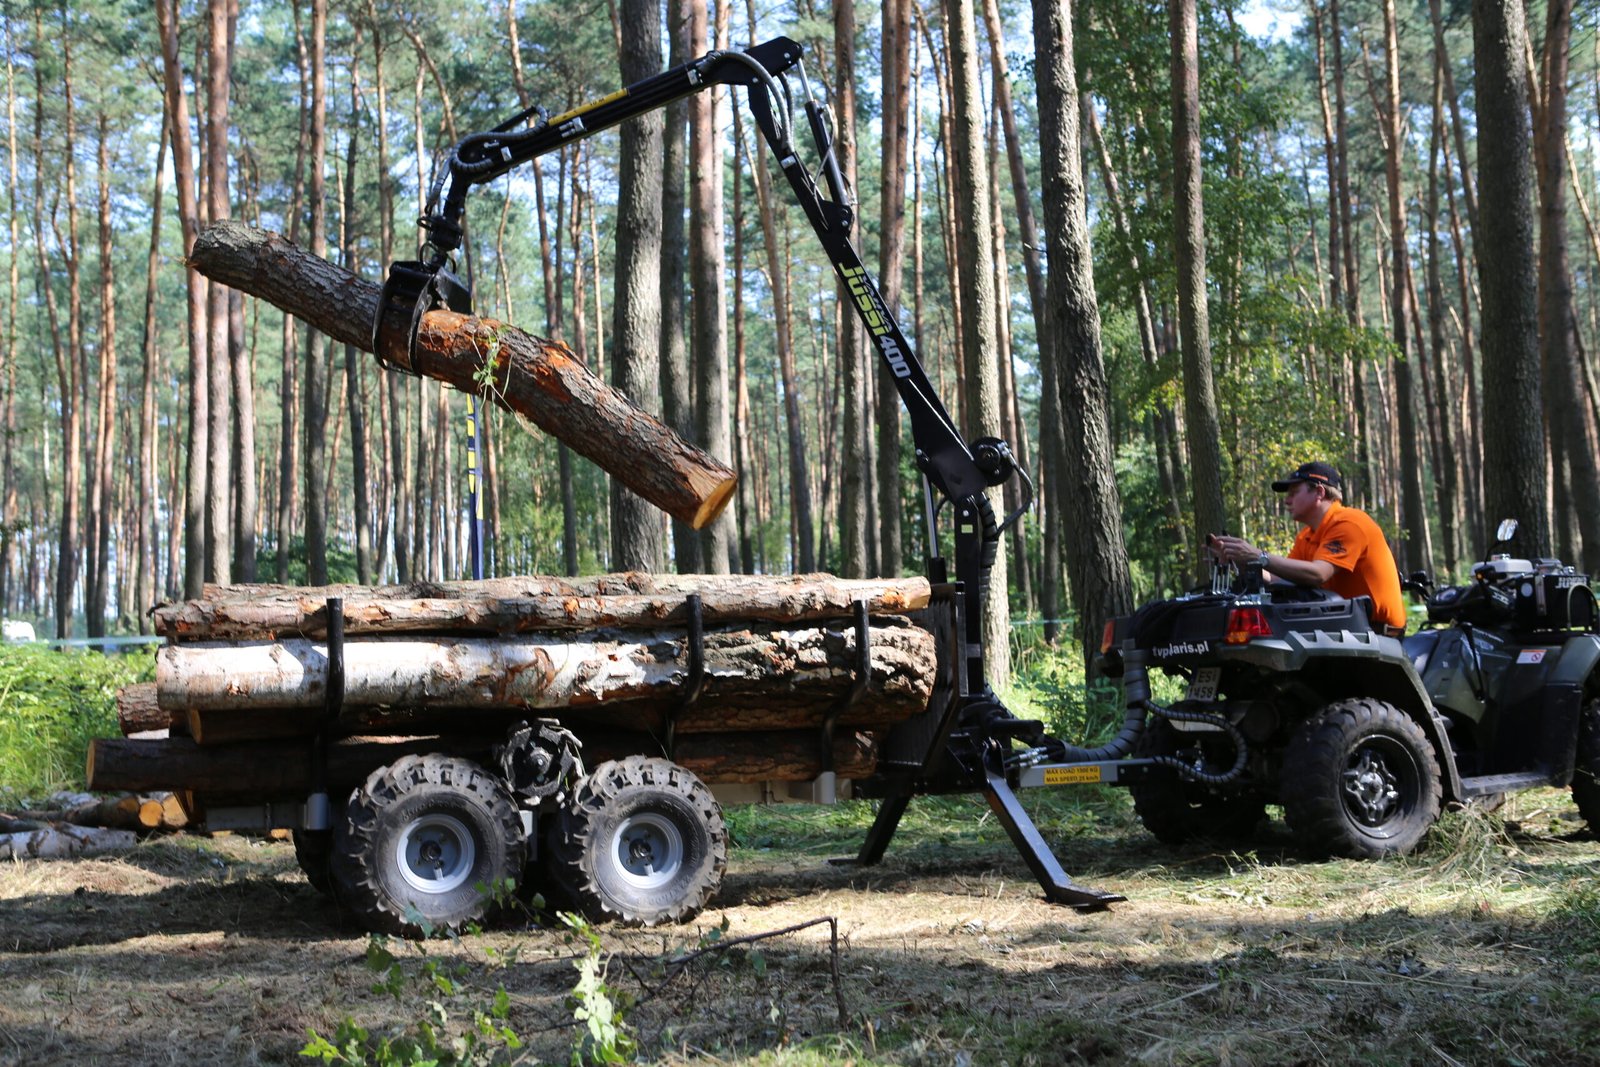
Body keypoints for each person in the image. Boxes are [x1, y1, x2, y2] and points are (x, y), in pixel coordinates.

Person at [1206, 461, 1407, 635]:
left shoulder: (1350, 523)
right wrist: (1242, 559)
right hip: (1343, 629)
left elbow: (1319, 574)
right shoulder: (1308, 535)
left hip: (1378, 634)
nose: (1286, 500)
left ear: (1319, 492)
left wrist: (1259, 555)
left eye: (1294, 493)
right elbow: (1276, 579)